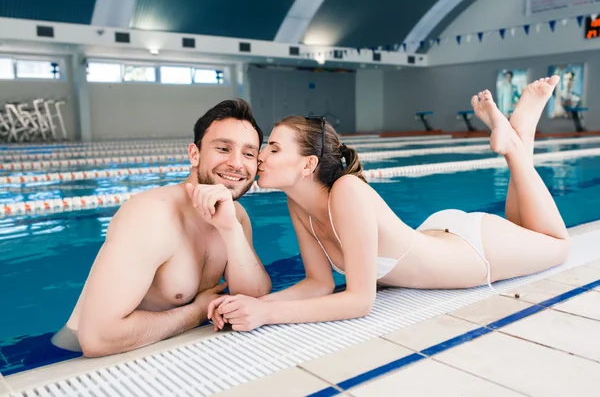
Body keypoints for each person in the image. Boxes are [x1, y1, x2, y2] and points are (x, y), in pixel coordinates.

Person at [207, 76, 570, 332]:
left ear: (308, 165)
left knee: (559, 245)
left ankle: (517, 143)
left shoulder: (346, 190)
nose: (260, 156)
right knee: (530, 228)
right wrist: (252, 306)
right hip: (438, 236)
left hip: (473, 252)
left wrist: (266, 315)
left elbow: (359, 301)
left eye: (274, 147)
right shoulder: (298, 205)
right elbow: (318, 284)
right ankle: (520, 134)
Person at [52, 99, 272, 357]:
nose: (237, 164)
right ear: (195, 154)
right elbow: (97, 339)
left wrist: (230, 229)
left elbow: (254, 295)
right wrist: (199, 311)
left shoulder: (234, 214)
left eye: (248, 153)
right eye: (223, 148)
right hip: (72, 356)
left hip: (151, 346)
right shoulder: (151, 215)